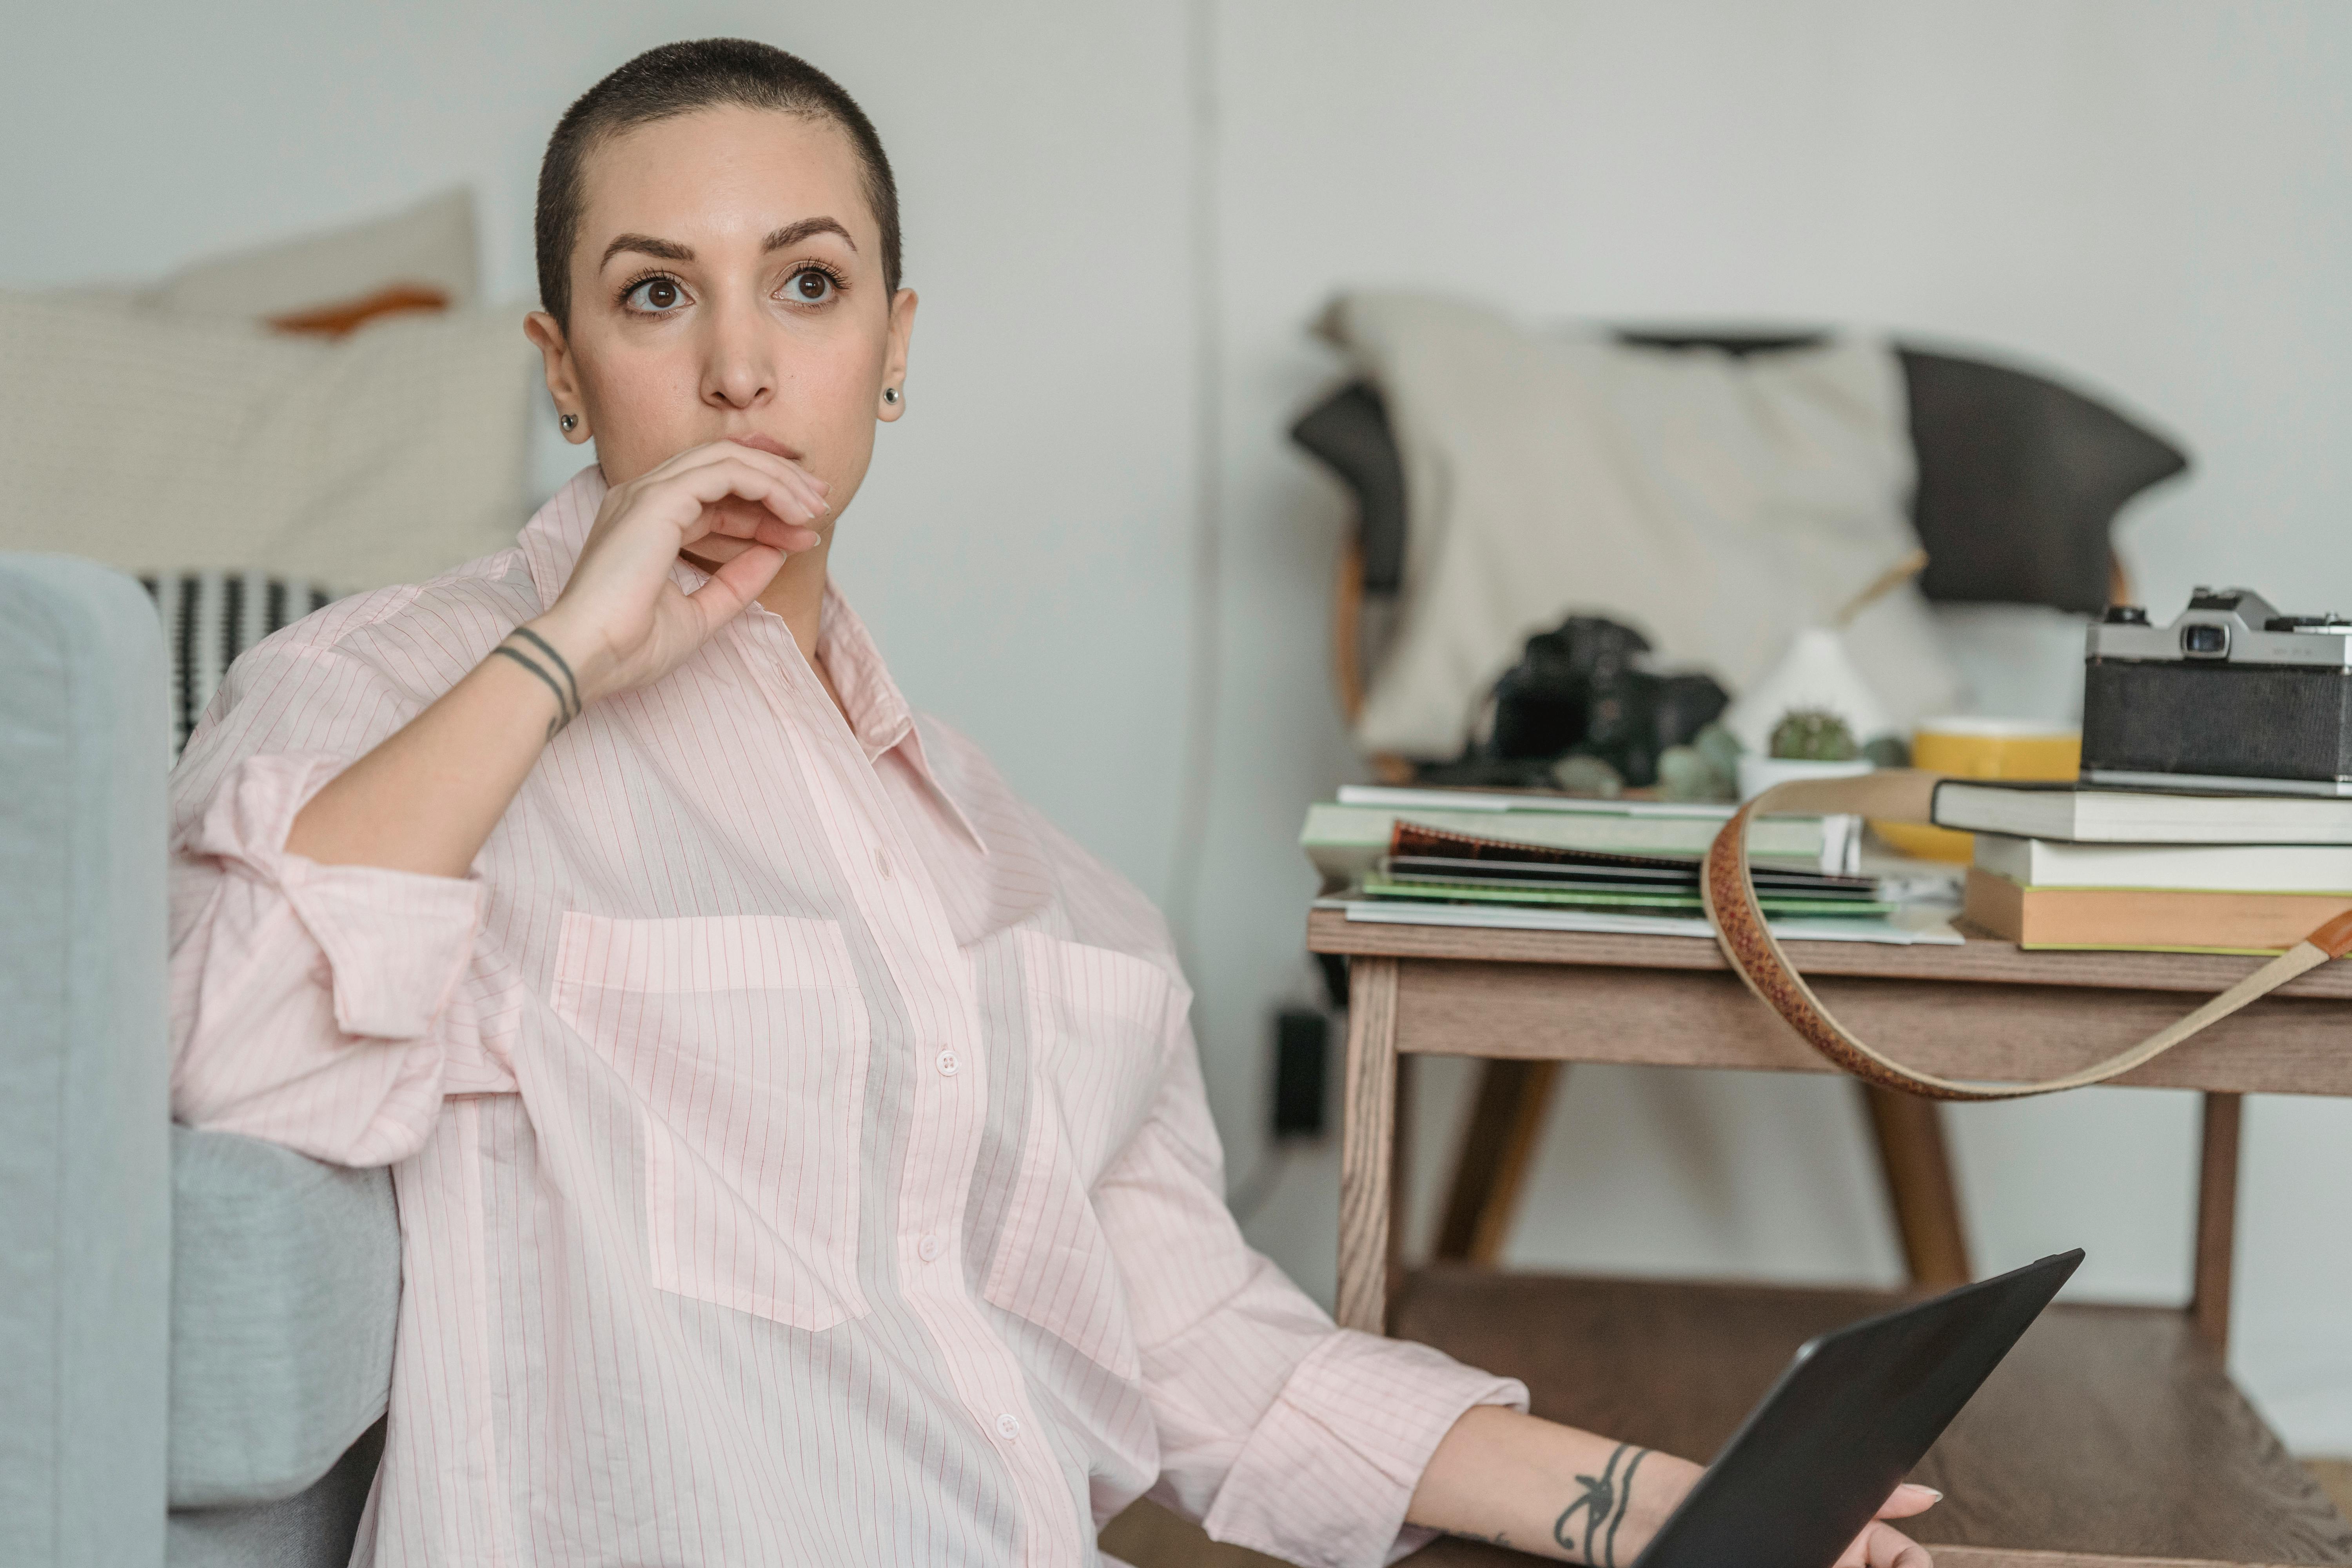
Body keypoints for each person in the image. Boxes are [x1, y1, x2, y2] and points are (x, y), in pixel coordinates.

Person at [166, 38, 1938, 1568]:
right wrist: (562, 659)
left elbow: (1202, 1356)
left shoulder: (1039, 889)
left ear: (895, 342)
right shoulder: (384, 697)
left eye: (806, 284)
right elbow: (220, 1057)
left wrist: (1660, 1507)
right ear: (562, 367)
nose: (737, 370)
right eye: (654, 294)